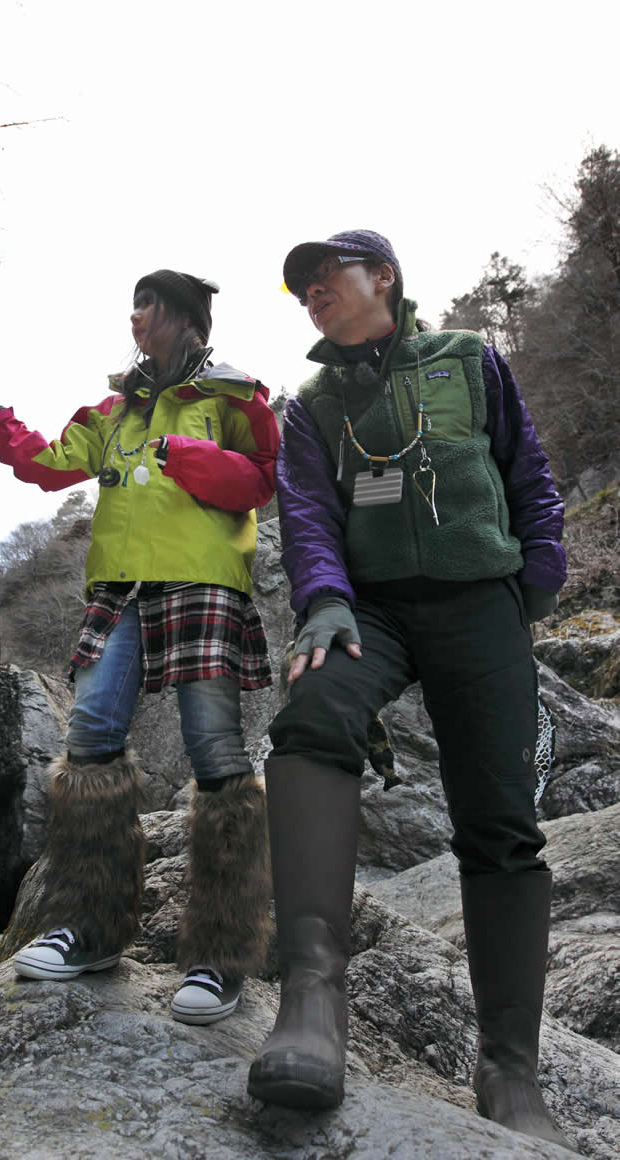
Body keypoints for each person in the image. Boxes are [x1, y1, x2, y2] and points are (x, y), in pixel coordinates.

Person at [247, 231, 574, 1151]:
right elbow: (306, 516)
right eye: (300, 286)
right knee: (311, 711)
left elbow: (527, 469)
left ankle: (509, 1070)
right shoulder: (308, 408)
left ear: (380, 276)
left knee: (503, 822)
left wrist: (536, 579)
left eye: (326, 275)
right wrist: (320, 605)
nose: (311, 291)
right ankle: (312, 1004)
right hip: (372, 611)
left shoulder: (469, 358)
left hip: (482, 602)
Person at [0, 269, 279, 1025]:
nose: (133, 319)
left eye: (145, 306)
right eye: (133, 306)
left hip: (203, 583)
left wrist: (184, 455)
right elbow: (43, 463)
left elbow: (264, 480)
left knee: (214, 750)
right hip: (120, 590)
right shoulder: (115, 409)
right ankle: (87, 929)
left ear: (182, 320)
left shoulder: (236, 396)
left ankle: (219, 956)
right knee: (90, 735)